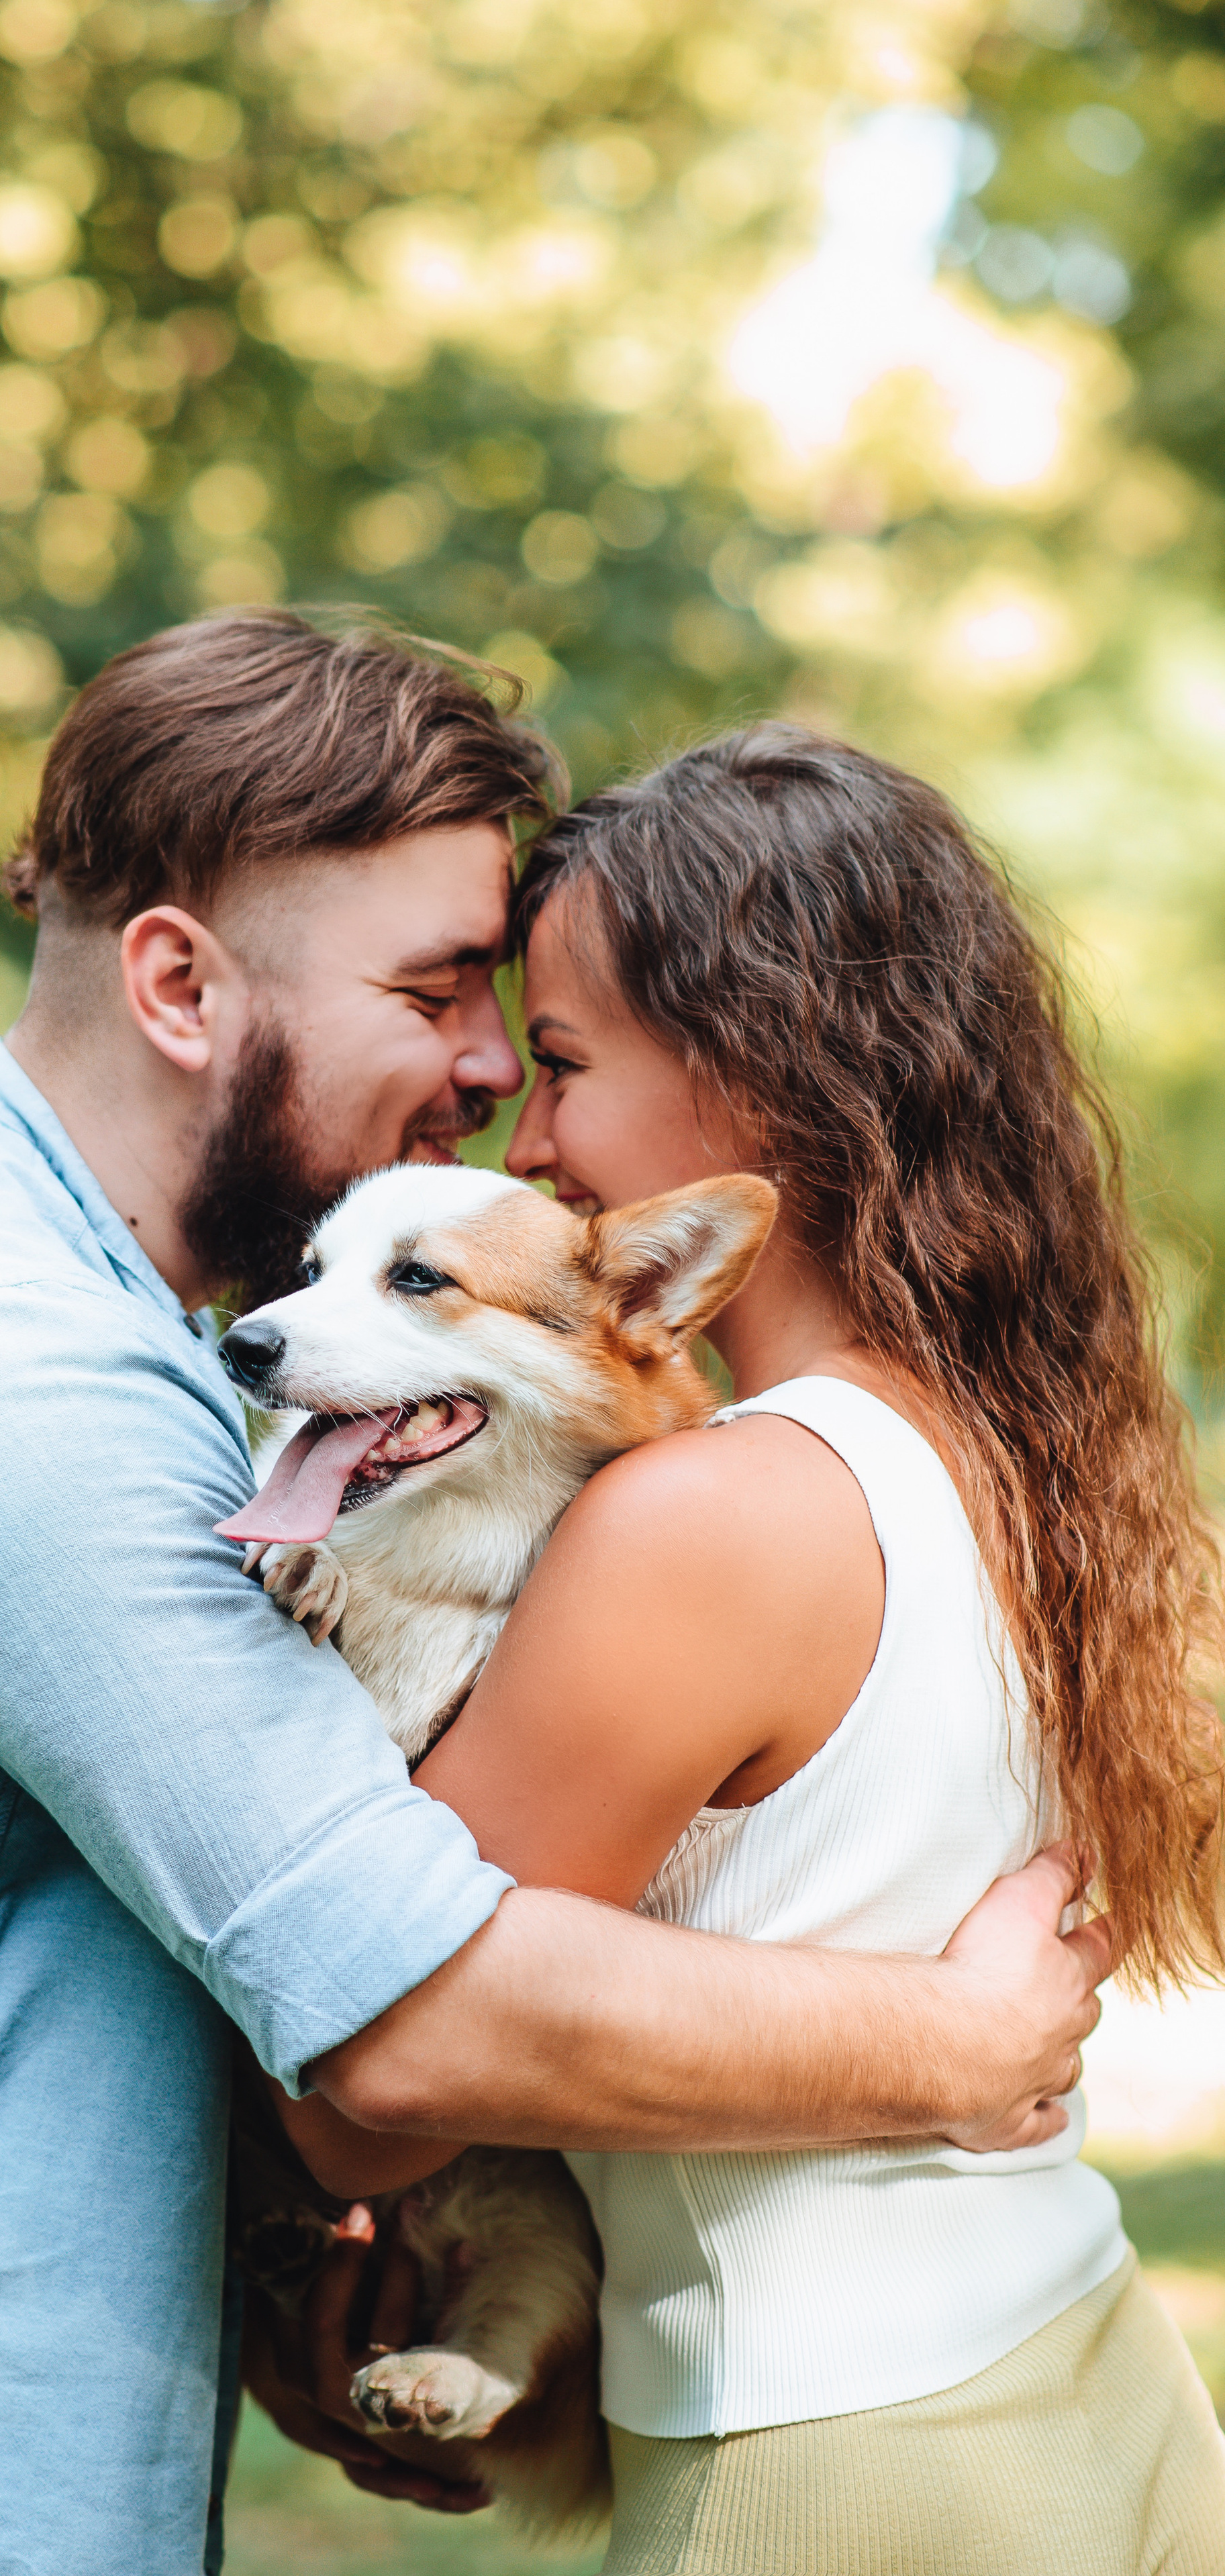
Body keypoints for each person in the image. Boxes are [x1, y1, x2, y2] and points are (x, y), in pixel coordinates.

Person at [0, 628, 1107, 2576]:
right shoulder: (2, 1377)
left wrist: (300, 2297)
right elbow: (407, 2014)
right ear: (178, 983)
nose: (493, 1064)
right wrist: (958, 2051)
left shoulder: (54, 1292)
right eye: (436, 988)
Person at [291, 724, 1224, 2571]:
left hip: (828, 2456)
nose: (526, 1138)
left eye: (560, 1065)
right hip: (1094, 2381)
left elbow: (381, 2083)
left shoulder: (706, 1516)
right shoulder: (1023, 1458)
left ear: (764, 1076)